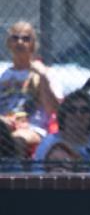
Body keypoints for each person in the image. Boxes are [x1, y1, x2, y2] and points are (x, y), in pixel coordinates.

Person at [0, 21, 61, 157]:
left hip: (32, 128)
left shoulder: (45, 73)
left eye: (26, 38)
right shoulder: (2, 75)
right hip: (3, 125)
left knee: (17, 139)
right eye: (15, 38)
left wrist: (43, 77)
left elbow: (53, 109)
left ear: (33, 44)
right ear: (9, 43)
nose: (20, 42)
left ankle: (15, 175)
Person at [33, 89, 90, 173]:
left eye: (84, 110)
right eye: (72, 110)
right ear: (64, 114)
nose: (78, 115)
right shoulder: (48, 142)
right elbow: (37, 174)